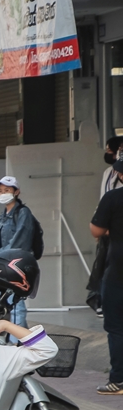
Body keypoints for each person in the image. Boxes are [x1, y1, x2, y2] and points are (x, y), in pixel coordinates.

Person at [0, 176, 38, 326]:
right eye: (0, 191)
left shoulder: (23, 213)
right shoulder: (3, 216)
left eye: (7, 190)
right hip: (4, 266)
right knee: (5, 304)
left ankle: (17, 342)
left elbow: (19, 241)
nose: (2, 193)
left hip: (16, 266)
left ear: (17, 192)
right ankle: (23, 339)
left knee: (15, 304)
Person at [93, 159, 123, 394]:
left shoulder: (112, 199)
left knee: (116, 327)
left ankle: (118, 380)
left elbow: (96, 230)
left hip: (118, 273)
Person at [89, 141, 123, 315]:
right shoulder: (109, 174)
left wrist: (102, 225)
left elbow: (96, 229)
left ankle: (102, 302)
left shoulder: (113, 197)